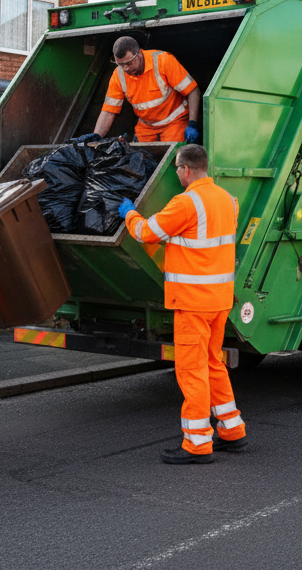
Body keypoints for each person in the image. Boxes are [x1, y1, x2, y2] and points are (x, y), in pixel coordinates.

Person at [118, 144, 246, 464]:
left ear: (186, 169)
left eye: (177, 169)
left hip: (192, 302)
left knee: (192, 371)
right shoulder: (229, 202)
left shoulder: (186, 202)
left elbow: (148, 232)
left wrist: (128, 215)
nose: (176, 174)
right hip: (218, 300)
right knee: (213, 363)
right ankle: (232, 430)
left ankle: (198, 444)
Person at [88, 36, 202, 144]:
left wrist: (192, 123)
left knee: (174, 160)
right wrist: (96, 137)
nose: (125, 68)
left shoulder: (163, 61)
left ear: (138, 54)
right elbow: (108, 112)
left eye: (128, 63)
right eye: (121, 64)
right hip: (146, 128)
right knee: (140, 160)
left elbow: (193, 91)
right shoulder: (118, 74)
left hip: (174, 123)